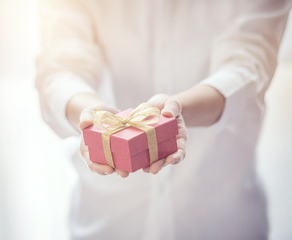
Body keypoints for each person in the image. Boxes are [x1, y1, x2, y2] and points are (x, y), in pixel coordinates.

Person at [36, 1, 292, 239]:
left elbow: (249, 63)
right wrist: (91, 113)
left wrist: (176, 110)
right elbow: (60, 65)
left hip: (222, 217)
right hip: (107, 220)